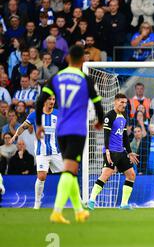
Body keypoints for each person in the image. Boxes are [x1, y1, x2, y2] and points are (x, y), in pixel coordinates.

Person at [35, 45, 104, 224]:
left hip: (61, 130)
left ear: (67, 59)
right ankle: (57, 211)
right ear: (82, 60)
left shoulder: (57, 77)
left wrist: (39, 124)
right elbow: (97, 104)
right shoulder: (84, 79)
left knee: (72, 170)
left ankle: (79, 211)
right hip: (77, 130)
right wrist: (99, 120)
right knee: (69, 170)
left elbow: (40, 100)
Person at [10, 95, 63, 209]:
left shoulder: (58, 114)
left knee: (69, 175)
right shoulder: (35, 115)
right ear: (44, 101)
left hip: (55, 151)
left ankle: (78, 201)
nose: (52, 102)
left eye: (54, 99)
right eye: (49, 99)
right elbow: (23, 127)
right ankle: (37, 203)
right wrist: (15, 136)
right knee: (42, 176)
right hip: (41, 151)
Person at [88, 94, 138, 210]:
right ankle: (91, 201)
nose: (123, 105)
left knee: (131, 175)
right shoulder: (109, 116)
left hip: (121, 151)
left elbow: (124, 136)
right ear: (115, 102)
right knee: (105, 175)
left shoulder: (124, 116)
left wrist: (129, 152)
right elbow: (106, 135)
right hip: (111, 151)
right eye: (121, 102)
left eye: (125, 103)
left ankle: (124, 204)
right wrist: (107, 151)